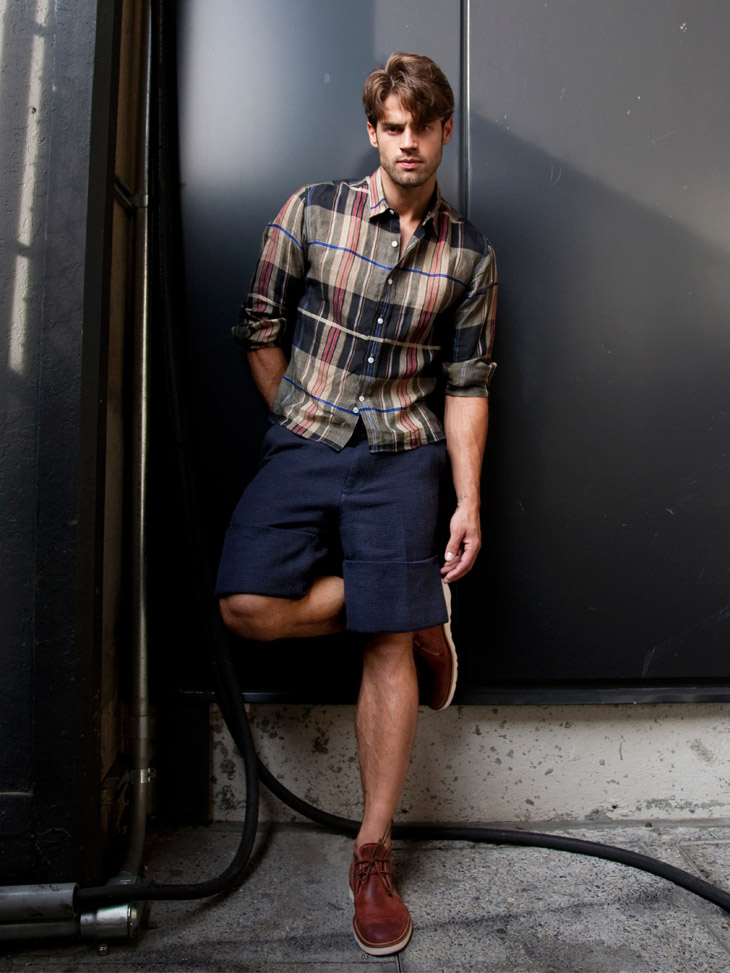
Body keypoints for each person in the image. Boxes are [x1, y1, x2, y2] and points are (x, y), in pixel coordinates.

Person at [216, 52, 497, 956]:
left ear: (445, 131)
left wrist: (467, 501)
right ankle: (414, 601)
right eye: (392, 128)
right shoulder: (311, 210)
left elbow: (468, 384)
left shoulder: (470, 255)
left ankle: (372, 854)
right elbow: (259, 325)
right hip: (304, 438)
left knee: (385, 643)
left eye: (423, 128)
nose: (408, 143)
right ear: (373, 131)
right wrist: (294, 419)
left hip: (404, 455)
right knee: (244, 605)